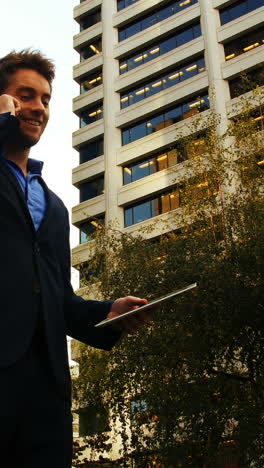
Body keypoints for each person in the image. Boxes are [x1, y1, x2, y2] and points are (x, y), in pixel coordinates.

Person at [0, 49, 149, 468]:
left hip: (46, 391)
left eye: (45, 99)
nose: (38, 108)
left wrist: (109, 313)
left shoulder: (54, 206)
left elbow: (58, 300)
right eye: (24, 96)